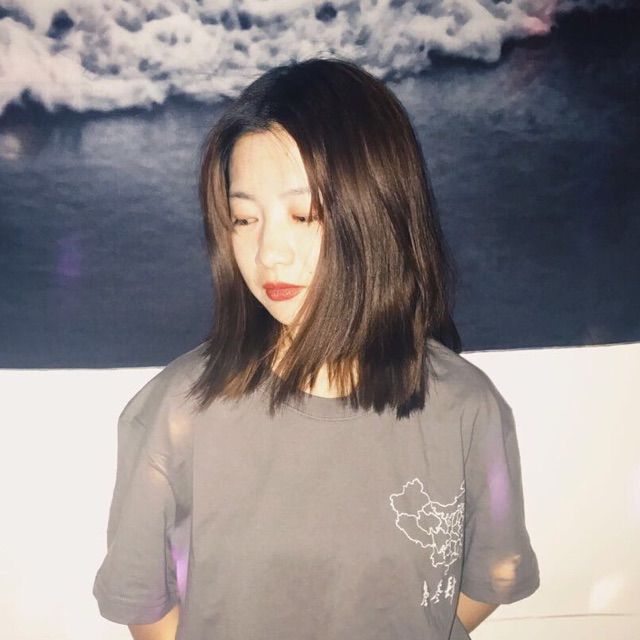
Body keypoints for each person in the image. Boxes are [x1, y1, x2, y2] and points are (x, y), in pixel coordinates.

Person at [93, 57, 539, 640]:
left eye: (302, 215)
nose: (268, 253)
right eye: (244, 218)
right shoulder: (176, 412)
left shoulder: (465, 405)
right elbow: (145, 604)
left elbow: (493, 573)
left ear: (378, 212)